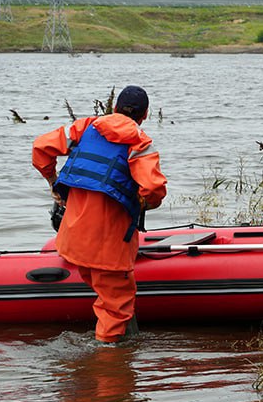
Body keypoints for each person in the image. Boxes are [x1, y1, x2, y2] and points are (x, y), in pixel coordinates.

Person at [32, 85, 167, 343]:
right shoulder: (139, 143)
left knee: (109, 296)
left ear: (114, 108)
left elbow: (40, 148)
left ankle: (106, 355)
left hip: (73, 241)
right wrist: (144, 203)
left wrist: (53, 181)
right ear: (145, 115)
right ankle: (109, 368)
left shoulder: (84, 127)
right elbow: (153, 189)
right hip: (109, 247)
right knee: (115, 307)